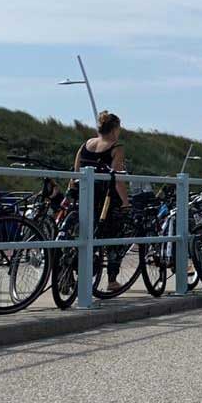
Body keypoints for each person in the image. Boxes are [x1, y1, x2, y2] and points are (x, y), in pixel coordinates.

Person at [72, 111, 132, 291]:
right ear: (114, 129)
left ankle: (66, 274)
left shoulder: (86, 145)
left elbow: (75, 173)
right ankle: (112, 280)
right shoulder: (116, 147)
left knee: (79, 235)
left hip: (83, 197)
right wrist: (125, 202)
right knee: (115, 236)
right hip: (104, 200)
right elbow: (117, 180)